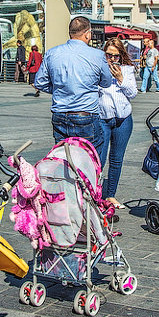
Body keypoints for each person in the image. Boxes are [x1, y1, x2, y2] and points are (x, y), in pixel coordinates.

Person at [33, 16, 114, 166]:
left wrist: (60, 89)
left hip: (60, 116)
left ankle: (67, 188)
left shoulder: (52, 53)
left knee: (63, 160)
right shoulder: (97, 55)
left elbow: (39, 82)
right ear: (87, 34)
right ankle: (87, 188)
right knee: (90, 162)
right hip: (86, 116)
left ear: (70, 33)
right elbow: (107, 82)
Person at [99, 38, 138, 208]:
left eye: (116, 56)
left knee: (116, 159)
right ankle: (95, 194)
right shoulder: (98, 70)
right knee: (98, 159)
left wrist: (121, 78)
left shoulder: (127, 70)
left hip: (123, 120)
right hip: (102, 119)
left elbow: (133, 93)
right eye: (109, 55)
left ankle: (111, 195)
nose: (112, 59)